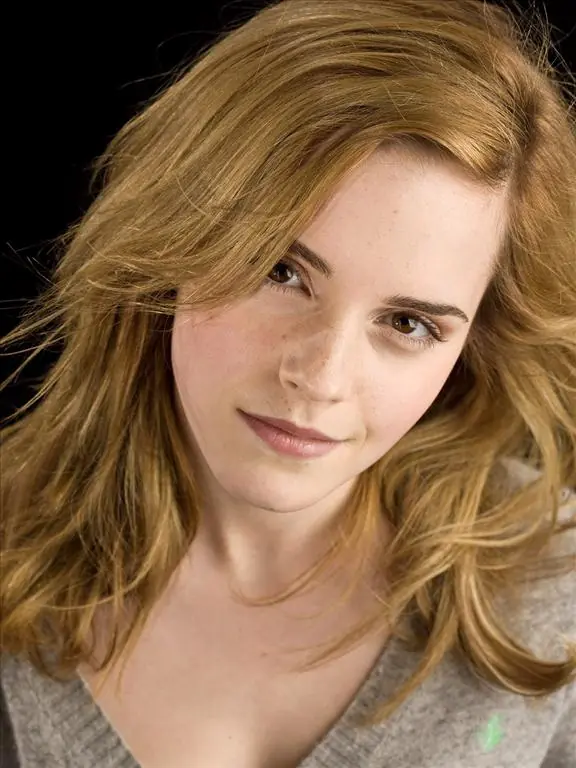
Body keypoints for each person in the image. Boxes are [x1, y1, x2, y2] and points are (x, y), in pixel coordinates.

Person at [1, 0, 575, 765]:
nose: (320, 378)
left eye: (409, 324)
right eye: (280, 271)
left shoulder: (557, 581)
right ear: (169, 243)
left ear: (472, 345)